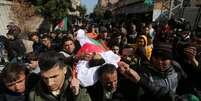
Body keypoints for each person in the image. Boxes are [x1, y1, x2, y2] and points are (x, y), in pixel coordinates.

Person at [118, 42, 186, 101]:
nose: (159, 62)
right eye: (156, 58)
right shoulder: (143, 71)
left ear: (170, 60)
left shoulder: (177, 69)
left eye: (164, 59)